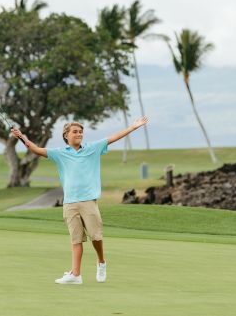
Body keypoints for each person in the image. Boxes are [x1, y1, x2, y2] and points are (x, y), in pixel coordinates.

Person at [11, 116, 149, 284]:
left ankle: (101, 261)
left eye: (81, 132)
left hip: (88, 201)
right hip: (69, 202)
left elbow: (114, 137)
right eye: (75, 132)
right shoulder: (59, 153)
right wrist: (21, 137)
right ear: (66, 135)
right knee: (76, 239)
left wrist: (134, 127)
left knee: (96, 237)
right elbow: (36, 149)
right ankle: (76, 275)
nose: (79, 134)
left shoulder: (93, 148)